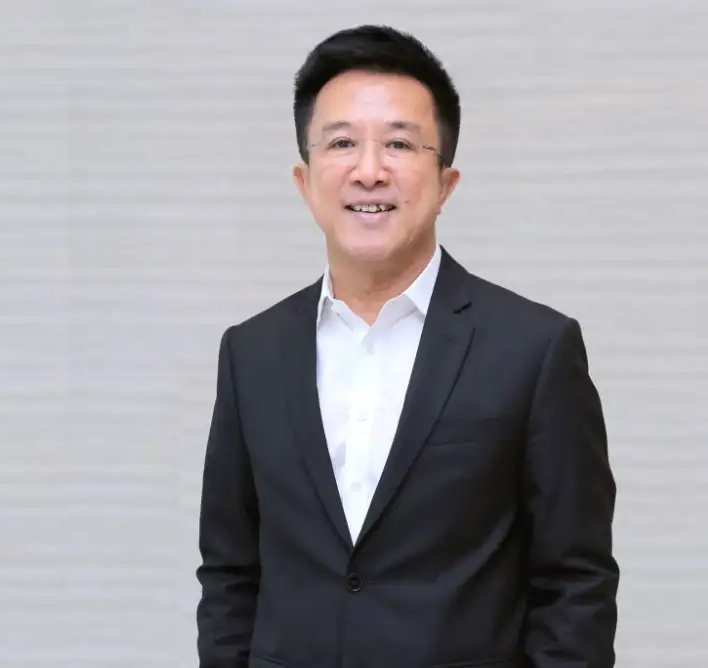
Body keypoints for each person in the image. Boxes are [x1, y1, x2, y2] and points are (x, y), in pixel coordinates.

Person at [196, 24, 619, 668]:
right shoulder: (252, 353)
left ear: (446, 182)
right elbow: (231, 573)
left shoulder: (534, 350)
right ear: (304, 180)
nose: (369, 172)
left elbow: (575, 585)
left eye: (398, 143)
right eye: (342, 143)